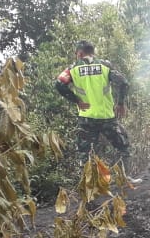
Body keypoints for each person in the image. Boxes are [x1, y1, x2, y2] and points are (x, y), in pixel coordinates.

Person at [54, 40, 137, 178]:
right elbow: (123, 82)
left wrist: (76, 100)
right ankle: (124, 180)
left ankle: (90, 189)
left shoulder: (72, 68)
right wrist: (120, 103)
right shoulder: (105, 65)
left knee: (85, 155)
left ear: (80, 53)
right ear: (93, 52)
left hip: (86, 119)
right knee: (123, 147)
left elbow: (59, 84)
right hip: (107, 118)